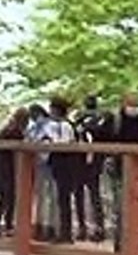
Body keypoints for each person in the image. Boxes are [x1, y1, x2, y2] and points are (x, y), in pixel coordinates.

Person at [102, 92, 138, 252]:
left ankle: (126, 242)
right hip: (116, 166)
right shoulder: (114, 119)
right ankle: (120, 242)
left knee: (128, 205)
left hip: (134, 168)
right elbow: (103, 137)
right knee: (119, 205)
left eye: (135, 103)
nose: (133, 106)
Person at [44, 95, 80, 243]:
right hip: (59, 164)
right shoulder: (56, 125)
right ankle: (63, 232)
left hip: (65, 164)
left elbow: (64, 144)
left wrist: (51, 142)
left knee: (63, 199)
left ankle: (65, 233)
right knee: (61, 199)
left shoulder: (65, 126)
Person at [73, 95, 108, 241]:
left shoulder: (79, 118)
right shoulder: (102, 118)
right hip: (96, 161)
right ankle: (98, 227)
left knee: (79, 194)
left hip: (80, 160)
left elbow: (76, 136)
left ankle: (82, 227)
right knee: (95, 195)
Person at [0, 107, 28, 235]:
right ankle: (7, 225)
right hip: (9, 167)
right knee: (9, 196)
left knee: (4, 197)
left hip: (1, 167)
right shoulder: (15, 131)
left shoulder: (6, 129)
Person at [24, 103, 57, 241]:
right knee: (41, 197)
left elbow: (50, 141)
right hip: (38, 165)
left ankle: (50, 227)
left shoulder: (50, 125)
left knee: (51, 197)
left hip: (50, 163)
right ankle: (39, 226)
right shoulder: (32, 127)